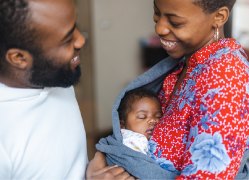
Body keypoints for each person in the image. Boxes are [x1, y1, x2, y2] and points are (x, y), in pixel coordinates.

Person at [87, 0, 249, 179]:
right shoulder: (184, 66)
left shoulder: (226, 74)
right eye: (157, 14)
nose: (160, 28)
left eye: (175, 22)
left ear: (219, 17)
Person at [0, 0, 134, 179]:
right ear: (19, 58)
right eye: (67, 39)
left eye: (75, 26)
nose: (81, 40)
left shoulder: (53, 75)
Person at [118, 88, 162, 154]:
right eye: (142, 117)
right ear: (122, 125)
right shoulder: (130, 141)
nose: (153, 120)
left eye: (158, 116)